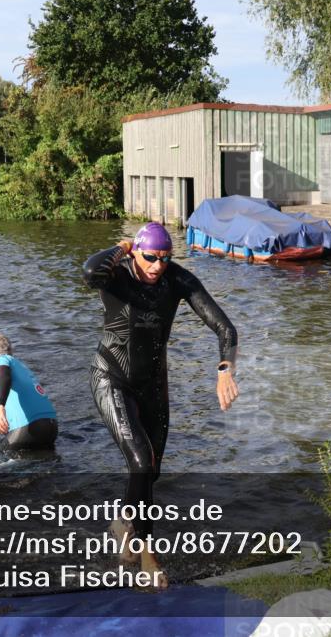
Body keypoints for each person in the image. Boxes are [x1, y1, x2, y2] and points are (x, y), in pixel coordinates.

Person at [82, 222, 239, 588]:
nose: (157, 266)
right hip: (111, 378)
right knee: (140, 459)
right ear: (136, 252)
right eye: (150, 257)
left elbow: (225, 329)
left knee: (149, 471)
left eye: (165, 259)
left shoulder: (177, 280)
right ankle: (146, 554)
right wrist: (122, 246)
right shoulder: (116, 276)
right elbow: (90, 271)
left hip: (153, 385)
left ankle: (124, 524)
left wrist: (224, 369)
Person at [0, 334, 58, 451]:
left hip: (29, 427)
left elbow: (4, 378)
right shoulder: (20, 366)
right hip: (51, 426)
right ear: (11, 351)